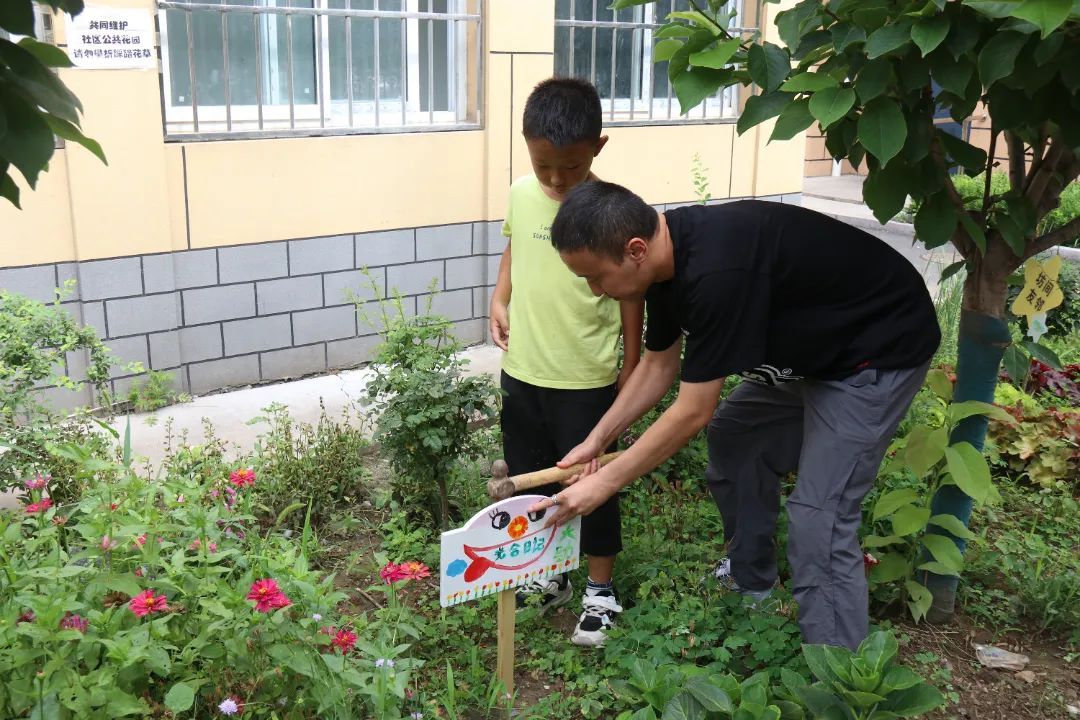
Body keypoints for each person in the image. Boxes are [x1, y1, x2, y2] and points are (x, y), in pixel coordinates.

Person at [531, 180, 940, 651]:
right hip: (815, 351)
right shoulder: (662, 266)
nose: (596, 291)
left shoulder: (717, 272)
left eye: (595, 277)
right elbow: (659, 365)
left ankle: (840, 671)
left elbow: (692, 412)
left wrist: (604, 482)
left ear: (635, 249)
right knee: (737, 435)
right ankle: (752, 584)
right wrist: (596, 440)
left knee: (820, 517)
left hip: (876, 352)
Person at [489, 80, 644, 647]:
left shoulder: (609, 210)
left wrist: (631, 361)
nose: (555, 179)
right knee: (530, 476)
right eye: (543, 165)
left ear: (597, 148)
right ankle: (550, 572)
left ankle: (600, 590)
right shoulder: (519, 193)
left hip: (585, 376)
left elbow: (631, 289)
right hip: (523, 369)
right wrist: (499, 297)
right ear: (526, 146)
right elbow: (514, 247)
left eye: (571, 166)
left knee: (592, 483)